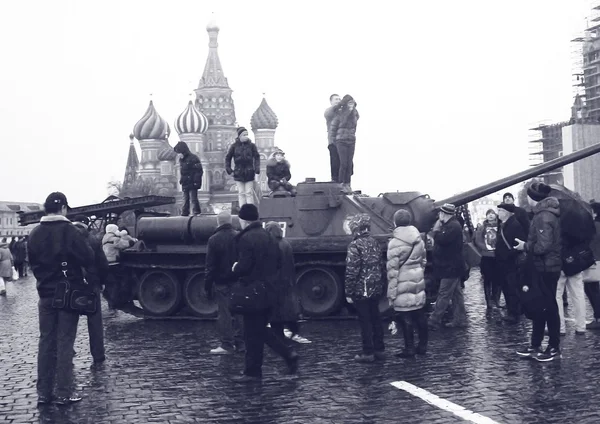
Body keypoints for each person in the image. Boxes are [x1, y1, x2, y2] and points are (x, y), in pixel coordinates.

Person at [28, 192, 94, 405]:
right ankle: (64, 392)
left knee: (46, 342)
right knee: (65, 342)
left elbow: (33, 262)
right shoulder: (70, 231)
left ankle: (44, 393)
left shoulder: (35, 233)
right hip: (67, 294)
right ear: (64, 209)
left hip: (45, 294)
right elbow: (88, 257)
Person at [231, 204, 298, 383]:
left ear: (243, 219)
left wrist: (236, 268)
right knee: (259, 330)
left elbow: (244, 266)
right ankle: (285, 354)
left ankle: (253, 372)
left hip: (252, 291)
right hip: (269, 291)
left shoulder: (245, 239)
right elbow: (277, 263)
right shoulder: (269, 237)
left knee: (251, 333)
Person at [515, 182, 562, 362]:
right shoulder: (543, 215)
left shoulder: (543, 217)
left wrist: (525, 246)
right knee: (541, 306)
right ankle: (536, 344)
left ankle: (553, 347)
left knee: (548, 307)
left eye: (528, 195)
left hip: (546, 267)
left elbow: (543, 246)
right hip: (545, 266)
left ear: (533, 198)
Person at [387, 209, 428, 358]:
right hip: (417, 278)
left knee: (405, 316)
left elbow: (392, 270)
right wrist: (418, 272)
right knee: (419, 313)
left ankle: (409, 348)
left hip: (402, 282)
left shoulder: (394, 242)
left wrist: (391, 294)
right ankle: (422, 346)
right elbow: (423, 260)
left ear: (395, 222)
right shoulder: (419, 239)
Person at [345, 213, 385, 362]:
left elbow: (352, 270)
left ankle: (368, 352)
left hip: (362, 289)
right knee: (376, 318)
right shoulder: (374, 242)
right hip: (375, 287)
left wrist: (349, 292)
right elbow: (381, 265)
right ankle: (380, 349)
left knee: (365, 321)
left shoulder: (355, 245)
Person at [205, 211, 244, 355]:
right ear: (231, 221)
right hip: (238, 281)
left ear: (218, 222)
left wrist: (207, 285)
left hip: (221, 282)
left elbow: (210, 266)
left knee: (224, 314)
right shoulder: (239, 237)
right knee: (240, 313)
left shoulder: (213, 239)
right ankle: (241, 344)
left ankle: (227, 345)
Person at [73, 215, 109, 367]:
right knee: (95, 322)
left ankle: (68, 351)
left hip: (73, 284)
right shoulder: (93, 239)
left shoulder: (67, 238)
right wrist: (102, 282)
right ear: (87, 224)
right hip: (91, 284)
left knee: (70, 321)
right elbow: (102, 263)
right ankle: (98, 355)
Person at [427, 203, 468, 330]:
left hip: (450, 267)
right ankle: (460, 319)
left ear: (444, 214)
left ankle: (434, 320)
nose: (439, 215)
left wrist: (435, 230)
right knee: (456, 294)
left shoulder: (453, 227)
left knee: (444, 293)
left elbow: (441, 239)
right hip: (451, 266)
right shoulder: (450, 225)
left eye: (440, 213)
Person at [265, 221, 303, 344]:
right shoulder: (285, 243)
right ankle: (294, 328)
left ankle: (279, 336)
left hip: (275, 282)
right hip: (287, 280)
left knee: (275, 313)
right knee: (288, 309)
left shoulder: (271, 245)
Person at [495, 203, 527, 324]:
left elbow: (519, 243)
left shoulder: (514, 225)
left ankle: (514, 313)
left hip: (510, 262)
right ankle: (512, 310)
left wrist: (508, 254)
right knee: (507, 287)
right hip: (504, 262)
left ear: (506, 212)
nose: (498, 213)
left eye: (500, 211)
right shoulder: (505, 224)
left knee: (512, 288)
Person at [329, 95, 359, 194]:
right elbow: (333, 127)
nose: (351, 105)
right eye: (349, 103)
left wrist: (352, 112)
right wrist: (333, 140)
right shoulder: (340, 114)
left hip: (351, 140)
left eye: (352, 103)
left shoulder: (355, 114)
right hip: (341, 140)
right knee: (343, 163)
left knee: (349, 164)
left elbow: (355, 126)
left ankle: (348, 184)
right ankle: (341, 184)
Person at [225, 127, 261, 207]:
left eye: (247, 134)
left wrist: (256, 170)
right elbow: (228, 158)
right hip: (238, 172)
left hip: (249, 172)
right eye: (244, 135)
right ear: (239, 136)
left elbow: (257, 157)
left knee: (249, 193)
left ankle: (250, 210)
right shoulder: (234, 146)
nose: (246, 136)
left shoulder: (252, 146)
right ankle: (243, 210)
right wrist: (229, 170)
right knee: (241, 193)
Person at [474, 209, 501, 311]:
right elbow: (478, 239)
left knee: (497, 280)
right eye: (488, 214)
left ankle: (496, 300)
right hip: (487, 256)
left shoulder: (500, 226)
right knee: (487, 279)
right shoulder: (482, 227)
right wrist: (485, 247)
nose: (490, 215)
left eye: (492, 214)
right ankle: (489, 301)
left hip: (497, 256)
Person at [174, 141, 204, 216]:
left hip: (192, 181)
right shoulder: (182, 159)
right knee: (185, 198)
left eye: (178, 152)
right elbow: (183, 171)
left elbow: (198, 171)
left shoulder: (193, 158)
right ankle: (185, 212)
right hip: (185, 182)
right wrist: (181, 179)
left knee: (193, 198)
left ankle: (196, 212)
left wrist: (196, 181)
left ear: (182, 151)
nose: (178, 154)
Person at [586, 200, 600, 329]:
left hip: (593, 260)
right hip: (596, 260)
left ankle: (598, 318)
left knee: (592, 289)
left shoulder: (592, 227)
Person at [324, 94, 341, 182]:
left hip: (342, 141)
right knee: (335, 161)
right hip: (333, 141)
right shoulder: (329, 111)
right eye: (336, 99)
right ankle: (334, 180)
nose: (338, 101)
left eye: (339, 99)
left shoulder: (342, 112)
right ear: (331, 101)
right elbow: (328, 113)